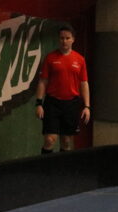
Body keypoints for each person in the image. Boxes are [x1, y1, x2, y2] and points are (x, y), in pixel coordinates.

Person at [35, 25, 90, 153]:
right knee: (50, 139)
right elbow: (43, 81)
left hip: (71, 104)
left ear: (73, 39)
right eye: (61, 38)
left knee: (66, 141)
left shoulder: (80, 60)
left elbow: (84, 83)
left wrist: (87, 106)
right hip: (52, 103)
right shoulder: (50, 58)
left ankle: (63, 166)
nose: (64, 41)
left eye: (67, 38)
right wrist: (39, 103)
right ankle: (45, 165)